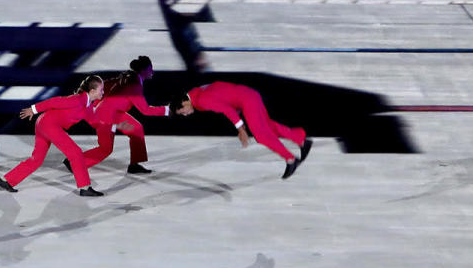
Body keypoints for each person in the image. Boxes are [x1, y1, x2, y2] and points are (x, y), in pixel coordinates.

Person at [0, 75, 130, 197]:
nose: (103, 92)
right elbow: (54, 101)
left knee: (37, 159)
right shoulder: (78, 99)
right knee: (76, 153)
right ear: (92, 91)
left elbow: (96, 123)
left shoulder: (88, 106)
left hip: (44, 124)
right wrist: (33, 109)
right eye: (101, 89)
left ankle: (6, 180)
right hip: (49, 125)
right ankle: (84, 187)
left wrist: (116, 126)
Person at [174, 81, 312, 179]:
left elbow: (226, 110)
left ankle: (291, 159)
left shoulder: (201, 100)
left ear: (185, 102)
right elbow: (222, 92)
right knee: (268, 126)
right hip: (248, 95)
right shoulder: (197, 92)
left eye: (183, 112)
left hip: (247, 100)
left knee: (262, 135)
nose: (185, 114)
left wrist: (241, 129)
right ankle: (301, 139)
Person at [81, 55, 170, 174]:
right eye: (150, 68)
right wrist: (167, 110)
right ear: (143, 70)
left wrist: (96, 103)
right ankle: (76, 162)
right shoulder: (134, 85)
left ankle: (134, 165)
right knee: (105, 149)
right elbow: (145, 110)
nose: (152, 71)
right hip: (106, 115)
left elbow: (107, 85)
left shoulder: (130, 77)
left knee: (136, 129)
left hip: (115, 113)